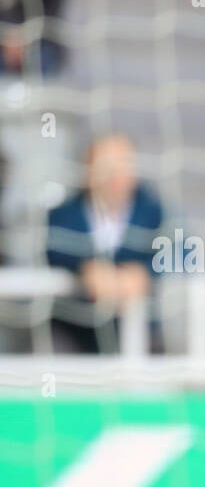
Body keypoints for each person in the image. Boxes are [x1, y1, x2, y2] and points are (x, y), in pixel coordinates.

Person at [45, 134, 176, 354]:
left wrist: (145, 273)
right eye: (107, 164)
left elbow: (180, 249)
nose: (116, 174)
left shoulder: (154, 211)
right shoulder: (63, 215)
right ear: (88, 170)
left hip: (142, 333)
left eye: (124, 163)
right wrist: (86, 268)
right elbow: (50, 249)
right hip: (74, 332)